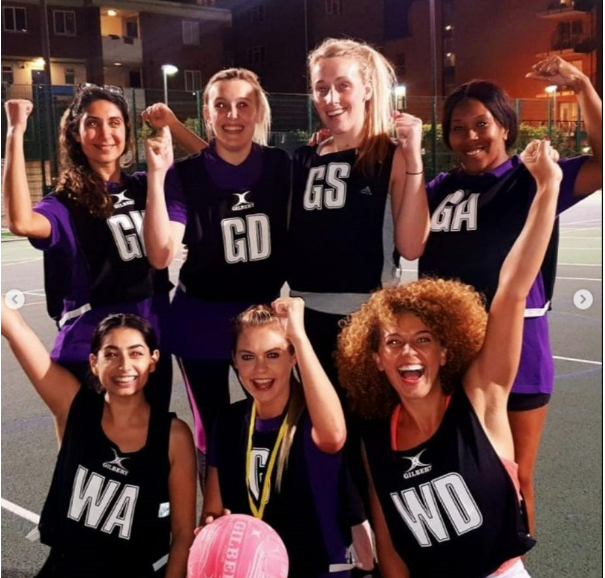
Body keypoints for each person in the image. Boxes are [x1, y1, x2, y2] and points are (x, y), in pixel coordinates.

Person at [337, 139, 562, 578]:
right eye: (393, 343)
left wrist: (548, 187)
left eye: (424, 340)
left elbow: (512, 291)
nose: (409, 353)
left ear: (445, 350)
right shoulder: (377, 437)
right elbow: (392, 546)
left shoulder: (480, 397)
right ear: (376, 359)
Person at [401, 56, 602, 533]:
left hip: (521, 344)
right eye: (458, 128)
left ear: (505, 127)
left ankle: (511, 575)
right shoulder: (438, 188)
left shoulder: (534, 178)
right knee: (453, 470)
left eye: (481, 124)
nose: (470, 137)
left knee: (515, 475)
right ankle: (467, 565)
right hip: (450, 346)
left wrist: (580, 85)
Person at [143, 68, 291, 483]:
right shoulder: (184, 175)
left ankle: (275, 506)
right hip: (200, 319)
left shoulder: (282, 166)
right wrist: (157, 176)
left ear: (258, 110)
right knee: (212, 426)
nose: (232, 114)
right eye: (221, 105)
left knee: (274, 415)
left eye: (243, 104)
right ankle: (218, 509)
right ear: (207, 114)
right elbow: (160, 254)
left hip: (261, 320)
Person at [0, 302, 197, 578]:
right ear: (94, 362)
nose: (124, 366)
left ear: (153, 360)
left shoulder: (174, 436)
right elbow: (14, 328)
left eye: (136, 353)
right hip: (75, 576)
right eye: (111, 354)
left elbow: (183, 534)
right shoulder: (74, 409)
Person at [2, 87, 178, 402]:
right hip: (94, 345)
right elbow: (21, 222)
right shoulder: (66, 202)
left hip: (151, 338)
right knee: (93, 445)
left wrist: (170, 130)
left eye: (114, 122)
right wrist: (16, 131)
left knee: (153, 440)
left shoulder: (147, 183)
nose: (105, 133)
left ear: (126, 129)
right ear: (76, 132)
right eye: (93, 123)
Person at [288, 37, 427, 385]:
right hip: (306, 318)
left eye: (342, 86)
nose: (330, 99)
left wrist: (414, 159)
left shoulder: (391, 155)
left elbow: (411, 247)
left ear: (366, 89)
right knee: (320, 433)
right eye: (321, 89)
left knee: (367, 433)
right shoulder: (304, 158)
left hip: (365, 319)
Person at [202, 297, 352, 578]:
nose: (260, 369)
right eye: (247, 357)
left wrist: (298, 333)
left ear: (293, 357)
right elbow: (213, 510)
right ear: (233, 360)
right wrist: (212, 529)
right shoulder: (229, 421)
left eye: (273, 355)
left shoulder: (314, 418)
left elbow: (334, 436)